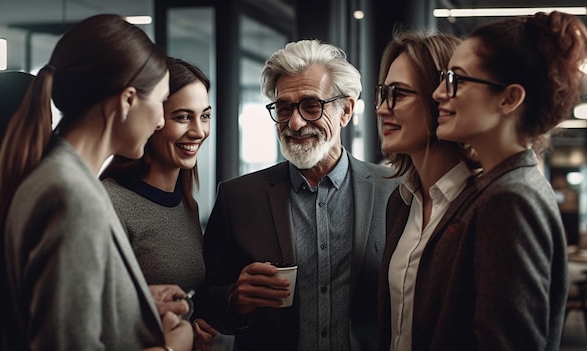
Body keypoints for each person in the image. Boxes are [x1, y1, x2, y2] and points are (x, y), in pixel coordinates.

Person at [0, 14, 193, 351]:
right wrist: (172, 346)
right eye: (160, 103)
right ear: (128, 100)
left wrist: (129, 301)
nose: (160, 121)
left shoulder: (62, 177)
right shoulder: (70, 195)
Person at [199, 39, 400, 351]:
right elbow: (205, 299)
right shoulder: (238, 198)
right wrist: (233, 299)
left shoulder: (395, 190)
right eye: (283, 108)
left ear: (345, 110)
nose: (294, 122)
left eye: (311, 105)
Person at [425, 11, 587, 350]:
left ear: (509, 98)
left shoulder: (510, 198)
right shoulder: (501, 184)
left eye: (458, 79)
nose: (440, 93)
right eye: (444, 77)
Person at [100, 57, 218, 351]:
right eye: (182, 117)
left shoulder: (187, 202)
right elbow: (95, 317)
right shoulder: (110, 204)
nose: (199, 131)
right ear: (152, 120)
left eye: (204, 115)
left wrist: (193, 329)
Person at [374, 30, 480, 351]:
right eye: (382, 93)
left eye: (399, 94)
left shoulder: (483, 203)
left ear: (444, 98)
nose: (381, 109)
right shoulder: (401, 201)